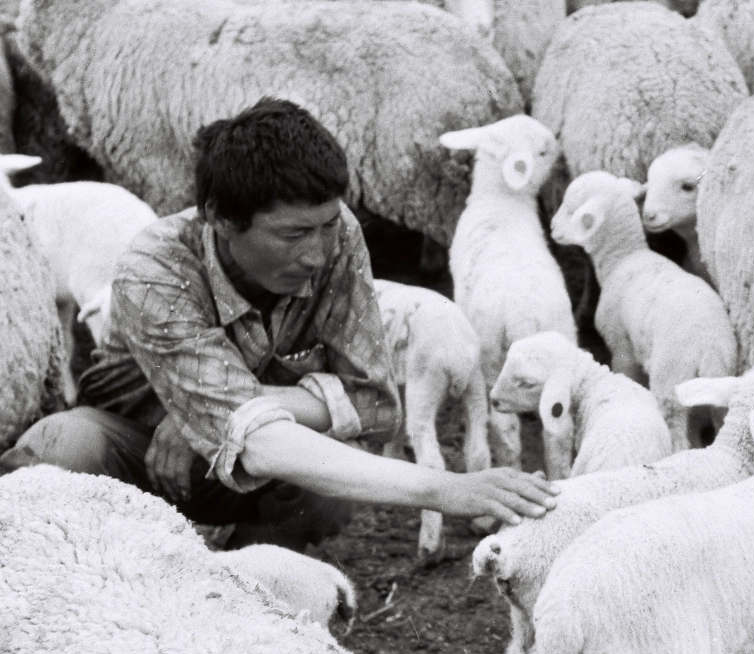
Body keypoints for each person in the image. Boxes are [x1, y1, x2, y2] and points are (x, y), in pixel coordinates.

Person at [0, 98, 557, 551]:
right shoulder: (156, 268)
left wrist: (230, 407)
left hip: (241, 450)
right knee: (60, 449)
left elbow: (378, 407)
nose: (318, 253)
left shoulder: (335, 237)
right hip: (134, 449)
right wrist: (448, 489)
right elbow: (261, 442)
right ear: (220, 218)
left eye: (327, 227)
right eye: (293, 235)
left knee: (329, 489)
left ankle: (249, 585)